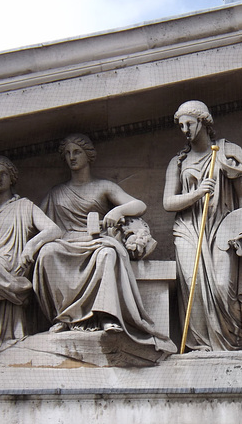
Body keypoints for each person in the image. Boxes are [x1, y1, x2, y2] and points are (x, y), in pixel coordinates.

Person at [33, 134, 176, 354]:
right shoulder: (56, 192)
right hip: (66, 243)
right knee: (47, 252)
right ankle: (65, 317)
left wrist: (118, 210)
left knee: (108, 253)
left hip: (95, 240)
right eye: (67, 153)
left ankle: (108, 316)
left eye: (77, 152)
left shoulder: (103, 187)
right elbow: (35, 222)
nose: (72, 157)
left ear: (89, 155)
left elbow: (139, 205)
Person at [164, 100, 242, 351]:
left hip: (222, 228)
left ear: (203, 123)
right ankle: (199, 346)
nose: (185, 129)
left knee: (221, 284)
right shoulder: (178, 162)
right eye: (181, 125)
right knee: (192, 285)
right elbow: (168, 202)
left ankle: (227, 344)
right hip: (187, 230)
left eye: (189, 123)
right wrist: (197, 194)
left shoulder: (227, 153)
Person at [0, 156, 60, 352]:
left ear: (12, 178)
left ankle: (3, 290)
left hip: (11, 265)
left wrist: (31, 246)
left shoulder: (24, 206)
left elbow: (54, 230)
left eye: (3, 174)